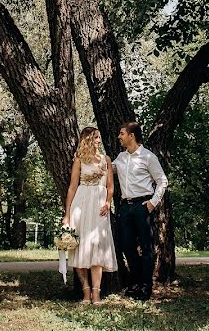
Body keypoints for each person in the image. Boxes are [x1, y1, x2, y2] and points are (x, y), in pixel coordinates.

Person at [112, 121, 168, 300]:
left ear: (131, 135)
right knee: (126, 246)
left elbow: (162, 181)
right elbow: (106, 170)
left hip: (143, 206)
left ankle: (146, 286)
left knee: (146, 247)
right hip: (125, 207)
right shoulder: (120, 158)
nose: (119, 137)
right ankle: (135, 283)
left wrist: (153, 202)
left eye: (121, 133)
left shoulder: (148, 157)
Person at [62, 126, 118, 305]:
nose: (99, 140)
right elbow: (72, 187)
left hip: (99, 206)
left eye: (99, 137)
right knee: (79, 247)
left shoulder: (106, 160)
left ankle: (97, 293)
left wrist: (108, 202)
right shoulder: (79, 159)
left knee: (97, 247)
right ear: (88, 139)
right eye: (96, 137)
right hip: (81, 204)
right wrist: (67, 214)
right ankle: (86, 291)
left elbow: (110, 187)